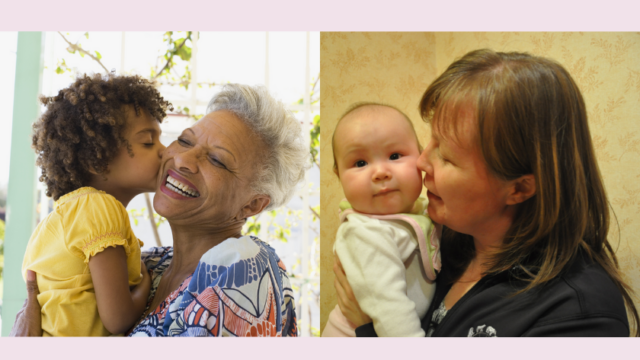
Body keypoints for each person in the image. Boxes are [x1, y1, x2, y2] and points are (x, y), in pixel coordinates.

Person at [334, 49, 639, 337]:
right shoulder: (449, 240)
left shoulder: (577, 315)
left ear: (519, 188)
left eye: (447, 156)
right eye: (431, 141)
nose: (422, 162)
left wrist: (368, 330)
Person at [13, 83, 308, 337]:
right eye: (184, 140)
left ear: (253, 204)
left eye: (217, 160)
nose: (182, 160)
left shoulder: (243, 269)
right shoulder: (149, 263)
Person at [22, 73, 171, 336]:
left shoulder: (61, 218)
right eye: (148, 141)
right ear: (98, 159)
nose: (164, 150)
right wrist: (148, 285)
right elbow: (118, 319)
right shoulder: (100, 208)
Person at [322, 104, 439, 337]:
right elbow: (389, 310)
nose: (380, 172)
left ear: (420, 157)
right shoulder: (364, 233)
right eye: (360, 163)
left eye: (395, 156)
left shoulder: (421, 213)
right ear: (339, 176)